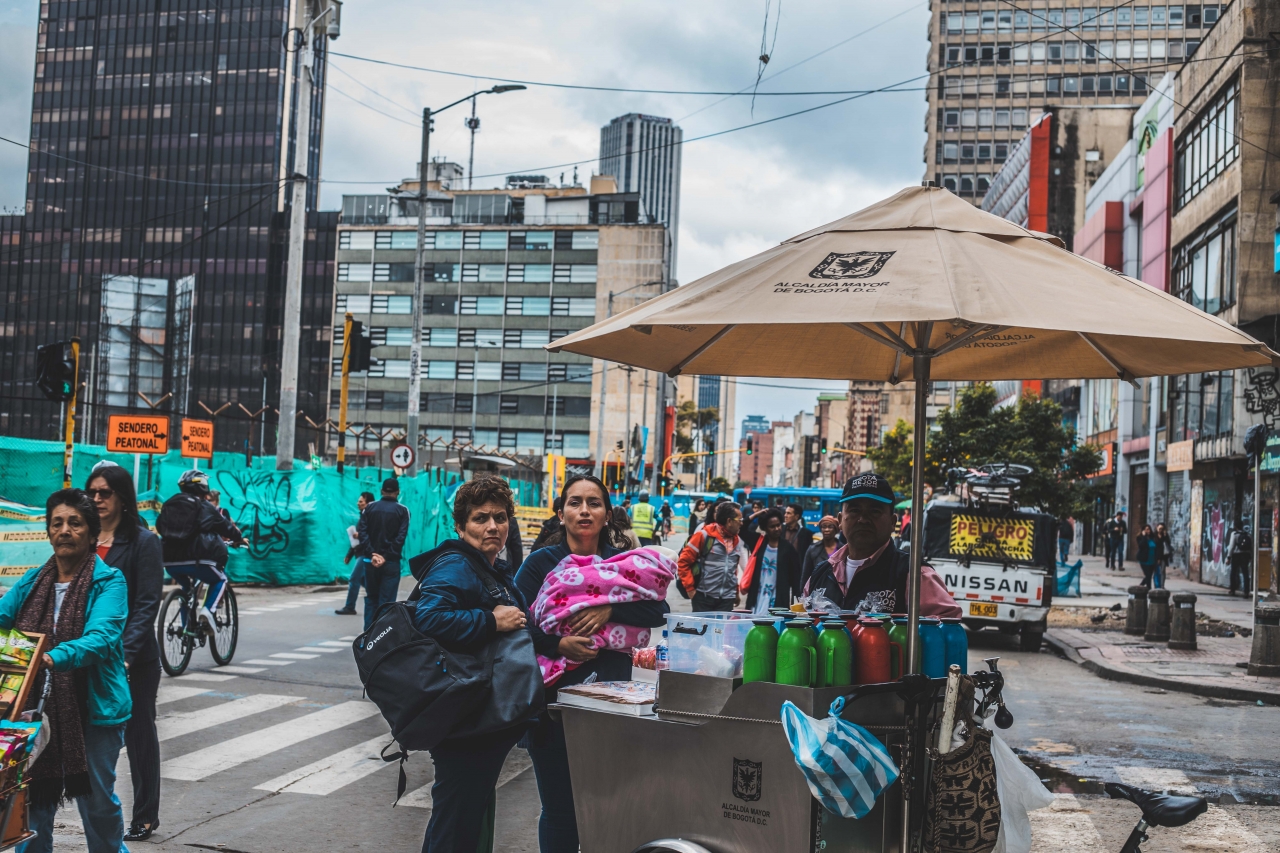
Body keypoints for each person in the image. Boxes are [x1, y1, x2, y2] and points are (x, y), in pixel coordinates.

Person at [515, 475, 669, 853]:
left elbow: (658, 611)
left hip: (611, 703)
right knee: (560, 812)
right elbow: (516, 623)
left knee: (609, 807)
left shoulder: (623, 562)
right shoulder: (540, 564)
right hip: (553, 706)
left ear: (607, 513)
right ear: (561, 512)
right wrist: (558, 643)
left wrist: (609, 607)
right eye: (575, 502)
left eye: (594, 503)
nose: (584, 510)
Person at [0, 489, 131, 853]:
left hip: (93, 709)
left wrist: (52, 657)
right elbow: (1, 621)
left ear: (91, 533)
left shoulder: (109, 581)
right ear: (48, 531)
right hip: (35, 709)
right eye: (57, 523)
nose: (65, 530)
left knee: (97, 801)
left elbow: (103, 637)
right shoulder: (31, 582)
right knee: (31, 800)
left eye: (75, 523)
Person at [412, 476, 536, 853]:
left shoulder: (488, 567)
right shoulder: (456, 565)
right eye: (481, 518)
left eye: (500, 517)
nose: (493, 526)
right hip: (465, 721)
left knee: (463, 820)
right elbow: (427, 619)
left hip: (480, 717)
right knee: (456, 825)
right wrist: (491, 621)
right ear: (460, 526)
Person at [85, 462, 164, 842]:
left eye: (105, 493)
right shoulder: (83, 537)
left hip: (133, 660)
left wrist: (126, 656)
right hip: (87, 654)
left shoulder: (144, 542)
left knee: (138, 734)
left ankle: (145, 815)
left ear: (122, 497)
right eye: (92, 493)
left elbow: (147, 604)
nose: (97, 499)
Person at [806, 474, 962, 617]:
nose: (863, 519)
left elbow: (946, 630)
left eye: (874, 511)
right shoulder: (820, 574)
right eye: (854, 510)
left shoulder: (915, 575)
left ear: (893, 522)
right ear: (840, 520)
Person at [158, 469, 245, 630]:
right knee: (220, 580)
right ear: (203, 487)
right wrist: (238, 537)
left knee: (186, 590)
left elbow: (159, 525)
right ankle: (208, 610)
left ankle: (186, 629)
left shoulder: (170, 503)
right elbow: (226, 527)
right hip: (199, 560)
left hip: (170, 562)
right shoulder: (205, 507)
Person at [356, 478, 410, 630]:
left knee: (371, 599)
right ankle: (380, 640)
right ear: (398, 492)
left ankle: (367, 638)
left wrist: (373, 554)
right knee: (386, 603)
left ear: (381, 491)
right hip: (391, 563)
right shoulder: (403, 511)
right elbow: (400, 538)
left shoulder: (369, 508)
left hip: (369, 561)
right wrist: (385, 556)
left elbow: (363, 533)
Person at [677, 501, 749, 611]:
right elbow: (683, 562)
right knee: (703, 628)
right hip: (703, 598)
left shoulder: (737, 541)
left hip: (727, 600)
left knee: (721, 629)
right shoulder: (703, 535)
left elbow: (733, 569)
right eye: (739, 520)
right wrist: (690, 589)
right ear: (729, 521)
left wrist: (736, 592)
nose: (741, 523)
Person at [741, 508, 801, 614]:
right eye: (772, 526)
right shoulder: (758, 542)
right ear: (765, 528)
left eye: (778, 525)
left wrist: (796, 604)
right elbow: (741, 529)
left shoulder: (788, 548)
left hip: (778, 599)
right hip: (757, 598)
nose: (777, 528)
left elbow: (795, 578)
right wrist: (756, 514)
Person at [335, 492, 376, 616]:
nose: (358, 503)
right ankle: (376, 602)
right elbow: (356, 541)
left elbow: (371, 536)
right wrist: (349, 554)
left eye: (361, 501)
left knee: (354, 578)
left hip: (365, 554)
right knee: (365, 581)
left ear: (368, 503)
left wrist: (361, 534)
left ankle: (350, 606)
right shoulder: (363, 517)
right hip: (360, 553)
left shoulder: (371, 518)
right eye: (358, 501)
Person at [801, 515, 842, 592]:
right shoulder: (812, 549)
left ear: (835, 529)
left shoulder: (843, 549)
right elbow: (805, 576)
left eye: (830, 527)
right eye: (824, 527)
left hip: (838, 592)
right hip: (818, 593)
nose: (826, 530)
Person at [1228, 523, 1253, 597]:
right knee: (1245, 573)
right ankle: (1246, 591)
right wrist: (1251, 556)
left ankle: (1233, 590)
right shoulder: (1248, 535)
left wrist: (1229, 557)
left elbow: (1231, 546)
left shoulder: (1234, 534)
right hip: (1245, 556)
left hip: (1236, 555)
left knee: (1234, 572)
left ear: (1235, 527)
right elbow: (1251, 546)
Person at [1136, 524, 1158, 588]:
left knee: (1149, 576)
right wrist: (1144, 536)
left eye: (1149, 529)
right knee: (1148, 575)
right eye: (1146, 529)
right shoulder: (1139, 537)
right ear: (1143, 530)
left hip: (1152, 559)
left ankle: (1140, 586)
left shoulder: (1153, 537)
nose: (1148, 531)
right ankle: (1149, 589)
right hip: (1144, 560)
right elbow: (1141, 546)